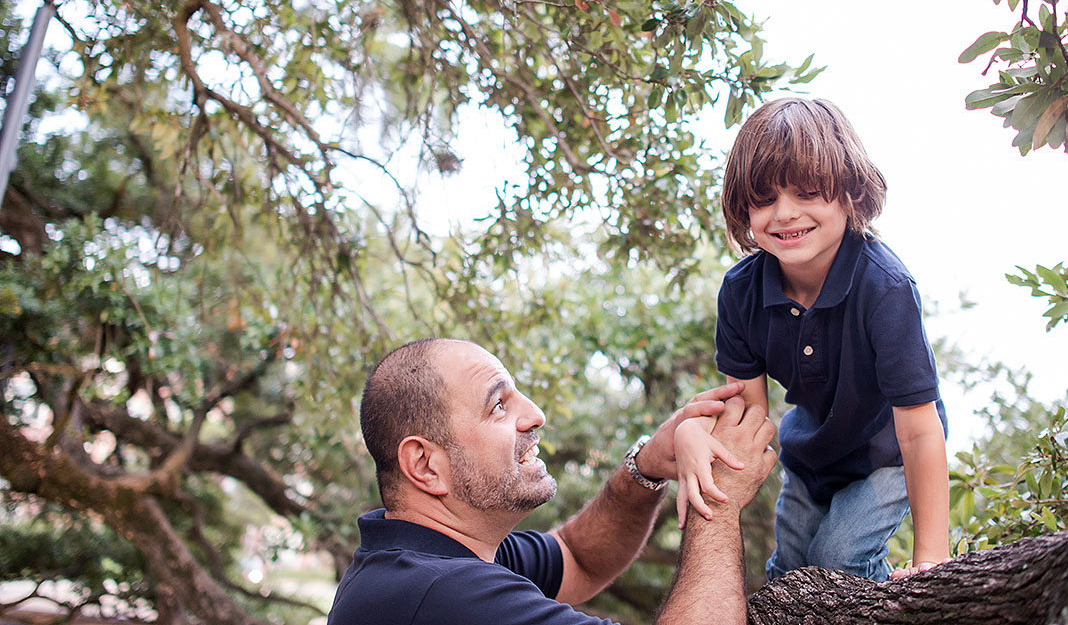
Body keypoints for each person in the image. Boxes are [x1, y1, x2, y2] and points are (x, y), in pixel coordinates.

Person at [674, 97, 950, 582]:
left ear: (850, 193)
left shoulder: (884, 287)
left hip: (886, 453)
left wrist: (932, 558)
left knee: (838, 561)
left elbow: (920, 431)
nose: (784, 213)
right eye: (763, 199)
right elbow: (747, 416)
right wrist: (689, 434)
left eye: (806, 193)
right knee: (788, 577)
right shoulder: (741, 293)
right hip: (812, 455)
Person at [327, 337, 777, 625]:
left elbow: (579, 558)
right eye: (498, 405)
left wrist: (648, 466)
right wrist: (717, 497)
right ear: (425, 465)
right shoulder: (440, 595)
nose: (536, 414)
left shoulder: (438, 556)